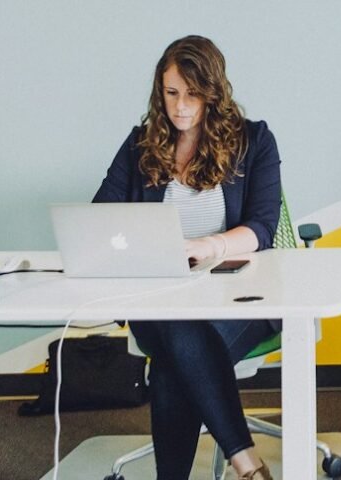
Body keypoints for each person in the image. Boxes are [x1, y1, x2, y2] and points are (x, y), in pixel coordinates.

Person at [93, 35, 282, 480]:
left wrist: (208, 246)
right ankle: (249, 466)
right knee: (177, 326)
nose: (180, 106)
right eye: (171, 92)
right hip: (159, 294)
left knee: (174, 355)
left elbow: (260, 228)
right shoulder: (142, 145)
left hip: (237, 295)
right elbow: (101, 214)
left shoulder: (254, 141)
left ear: (212, 93)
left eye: (192, 94)